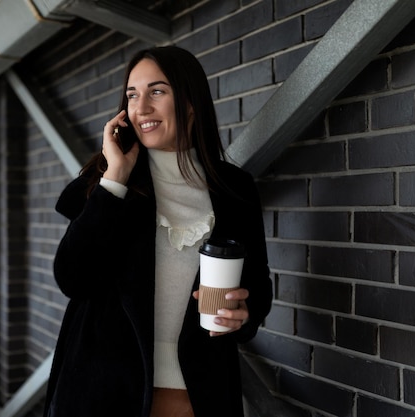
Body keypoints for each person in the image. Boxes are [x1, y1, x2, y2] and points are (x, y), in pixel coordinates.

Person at [44, 45, 272, 417]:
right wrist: (114, 178)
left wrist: (244, 314)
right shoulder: (108, 182)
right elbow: (72, 277)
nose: (141, 108)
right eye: (133, 95)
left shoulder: (235, 189)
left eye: (157, 91)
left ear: (190, 102)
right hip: (104, 394)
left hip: (200, 394)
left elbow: (258, 285)